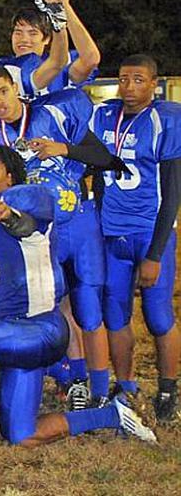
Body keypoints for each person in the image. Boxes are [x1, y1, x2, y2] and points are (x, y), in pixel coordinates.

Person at [0, 144, 155, 478]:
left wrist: (9, 215)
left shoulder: (31, 196)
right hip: (15, 336)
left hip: (43, 328)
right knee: (22, 435)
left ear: (10, 174)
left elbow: (26, 223)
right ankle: (113, 414)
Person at [0, 65, 118, 409]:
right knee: (55, 305)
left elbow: (104, 158)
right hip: (36, 235)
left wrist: (63, 149)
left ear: (14, 88)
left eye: (2, 91)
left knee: (90, 310)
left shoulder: (54, 112)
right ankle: (77, 379)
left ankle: (102, 390)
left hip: (76, 224)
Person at [89, 54, 181, 422]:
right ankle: (126, 386)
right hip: (112, 232)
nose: (129, 87)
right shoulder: (105, 115)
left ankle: (168, 389)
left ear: (154, 84)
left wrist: (156, 252)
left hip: (148, 232)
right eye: (124, 79)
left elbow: (172, 193)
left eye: (138, 80)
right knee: (115, 314)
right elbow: (96, 172)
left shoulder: (164, 120)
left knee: (158, 316)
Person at [0, 0, 99, 100]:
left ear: (47, 38)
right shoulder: (1, 67)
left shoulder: (63, 62)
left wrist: (64, 7)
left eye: (32, 33)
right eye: (18, 32)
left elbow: (90, 58)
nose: (24, 39)